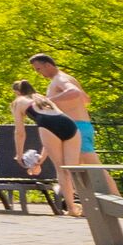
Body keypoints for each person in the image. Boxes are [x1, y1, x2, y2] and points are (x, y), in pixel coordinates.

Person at [27, 54, 96, 200]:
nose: (39, 73)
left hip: (77, 128)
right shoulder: (63, 79)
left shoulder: (60, 79)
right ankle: (87, 204)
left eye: (39, 69)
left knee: (87, 170)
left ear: (48, 65)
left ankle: (113, 201)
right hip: (77, 127)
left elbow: (75, 93)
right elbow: (85, 99)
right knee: (80, 171)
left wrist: (49, 100)